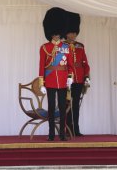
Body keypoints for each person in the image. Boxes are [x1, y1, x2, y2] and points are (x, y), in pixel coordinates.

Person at [39, 7, 74, 141]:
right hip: (50, 81)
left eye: (58, 33)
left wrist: (70, 78)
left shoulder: (66, 47)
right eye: (54, 33)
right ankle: (51, 134)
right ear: (50, 33)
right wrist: (42, 83)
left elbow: (69, 66)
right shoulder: (44, 48)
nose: (56, 35)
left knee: (62, 108)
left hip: (63, 81)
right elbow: (41, 66)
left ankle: (62, 134)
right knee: (51, 108)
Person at [64, 12, 90, 137]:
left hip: (79, 79)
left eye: (75, 33)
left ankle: (76, 129)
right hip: (66, 81)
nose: (73, 35)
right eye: (71, 32)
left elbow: (85, 64)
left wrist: (86, 78)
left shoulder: (80, 46)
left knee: (76, 106)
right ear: (66, 33)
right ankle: (67, 129)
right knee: (66, 106)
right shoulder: (61, 47)